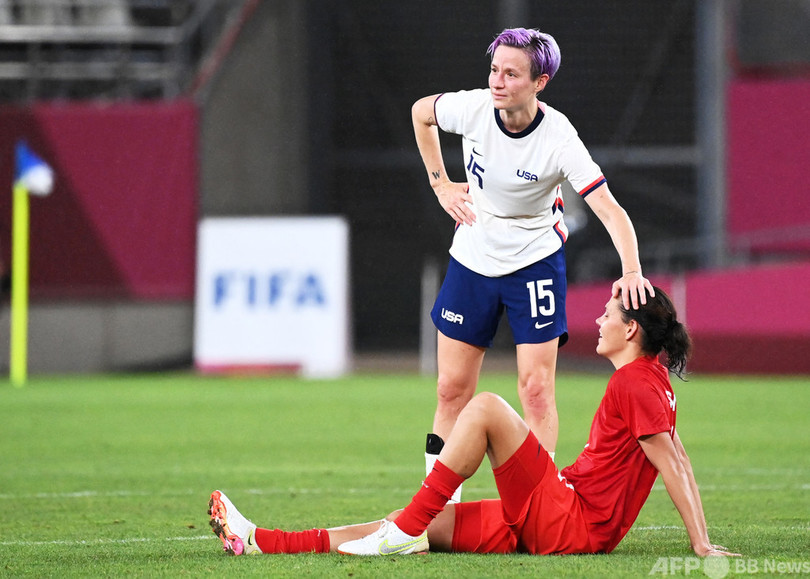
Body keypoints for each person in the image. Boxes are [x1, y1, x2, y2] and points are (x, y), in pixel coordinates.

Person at [208, 287, 740, 559]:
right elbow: (680, 459)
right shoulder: (653, 380)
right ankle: (260, 541)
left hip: (569, 522)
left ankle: (406, 531)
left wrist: (700, 543)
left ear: (630, 330)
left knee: (484, 406)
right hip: (563, 511)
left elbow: (671, 463)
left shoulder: (634, 383)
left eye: (608, 314)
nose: (599, 321)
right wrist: (701, 536)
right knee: (411, 524)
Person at [411, 28, 654, 489]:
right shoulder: (474, 108)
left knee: (537, 390)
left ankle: (538, 506)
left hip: (534, 261)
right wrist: (439, 183)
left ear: (540, 82)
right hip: (474, 256)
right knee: (450, 389)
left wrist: (632, 271)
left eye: (511, 74)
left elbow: (609, 209)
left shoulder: (559, 139)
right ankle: (440, 509)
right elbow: (421, 113)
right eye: (494, 70)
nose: (496, 81)